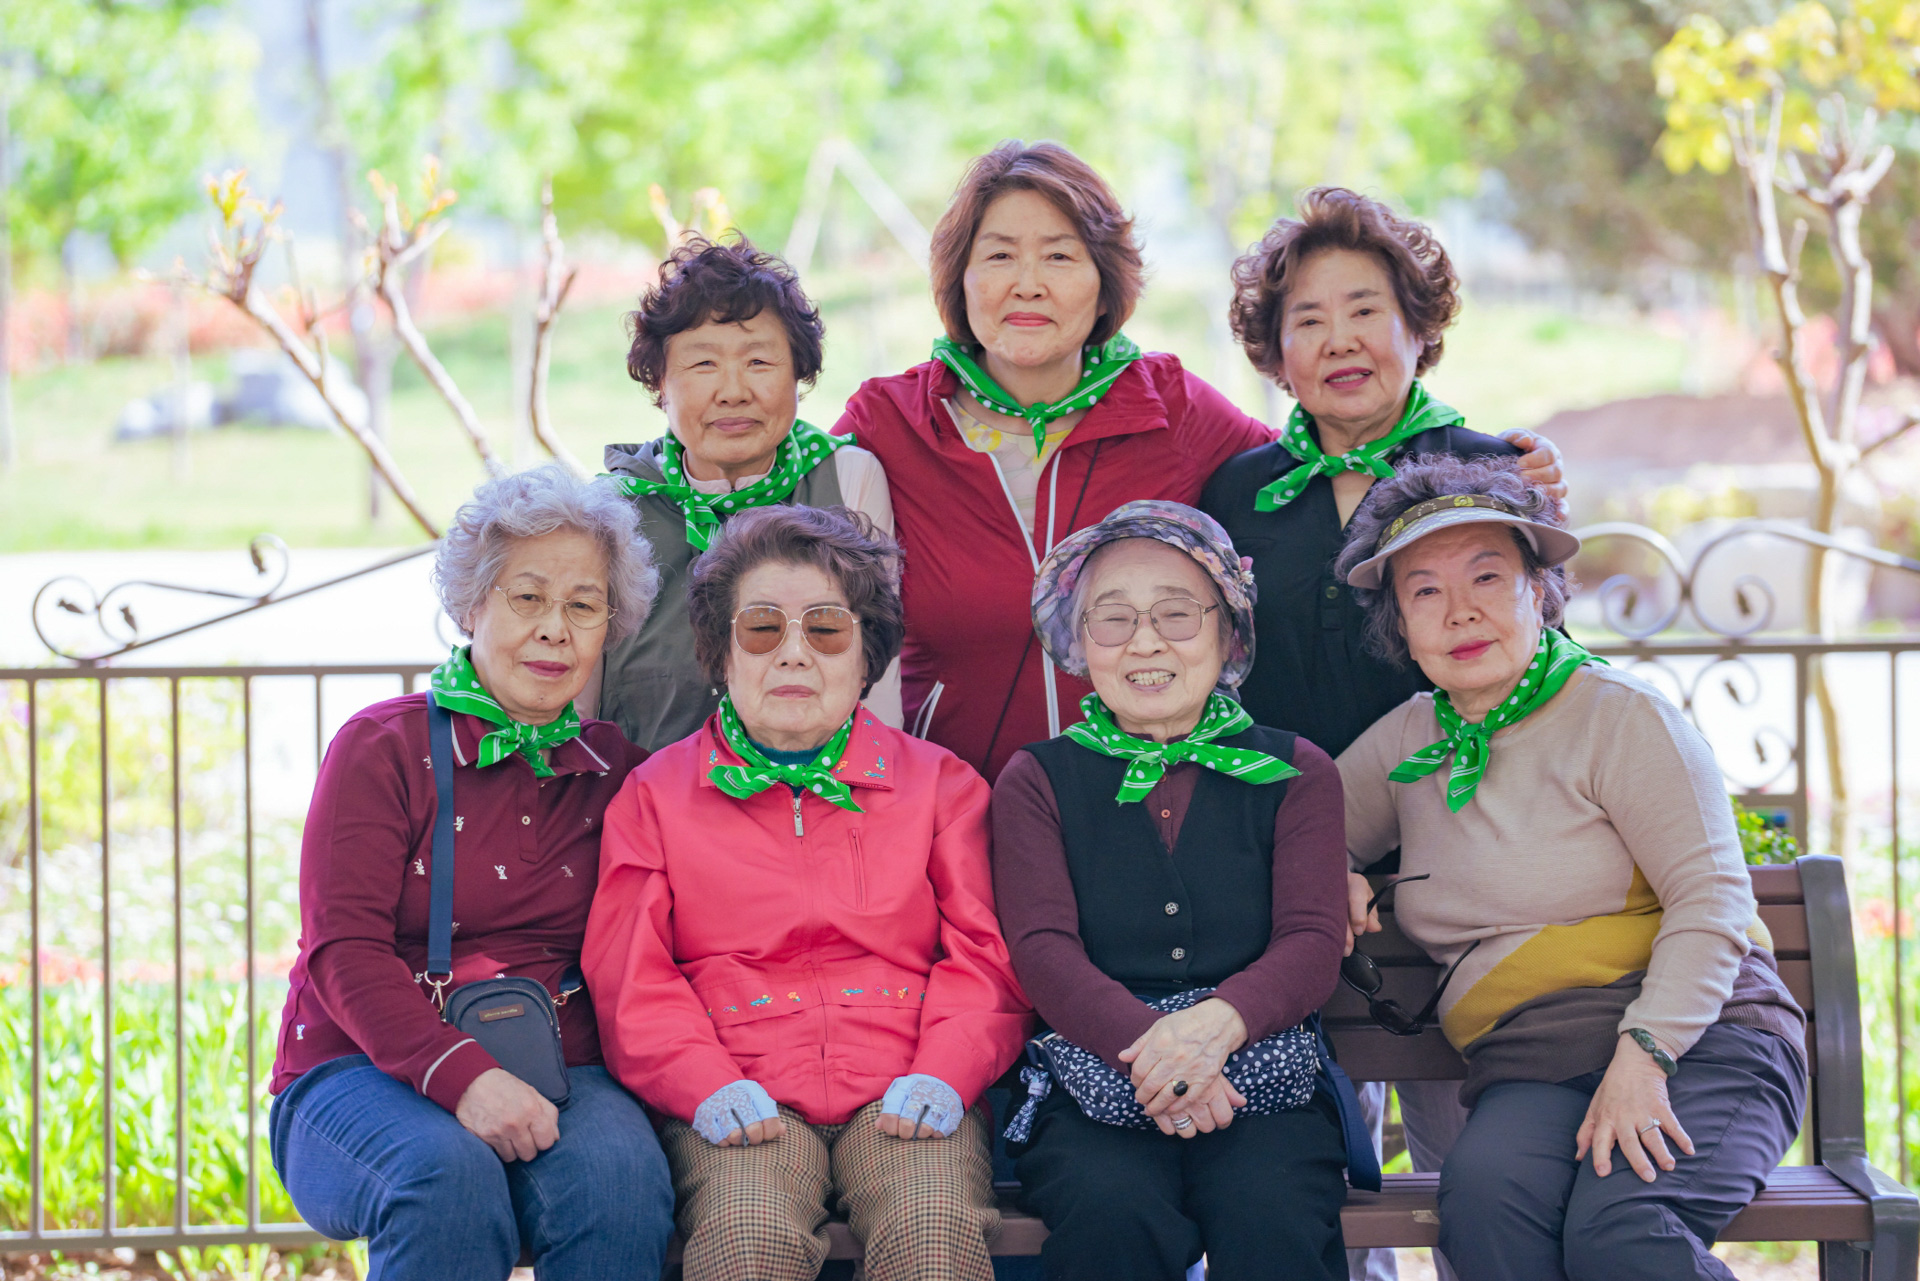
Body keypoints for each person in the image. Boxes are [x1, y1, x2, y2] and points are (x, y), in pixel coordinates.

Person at [1196, 186, 1568, 1280]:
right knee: (1322, 1170)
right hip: (1293, 877)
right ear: (1276, 351)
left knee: (1475, 1174)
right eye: (1307, 319)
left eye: (1366, 310)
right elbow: (1222, 689)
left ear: (1418, 325)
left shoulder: (1488, 470)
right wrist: (1308, 855)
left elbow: (1541, 676)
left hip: (1467, 868)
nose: (1340, 340)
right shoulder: (1241, 492)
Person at [1333, 455, 1807, 1281]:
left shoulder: (1621, 716)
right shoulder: (1408, 738)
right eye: (1425, 591)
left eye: (1488, 575)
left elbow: (1712, 897)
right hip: (1535, 1064)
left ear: (1539, 590)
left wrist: (1644, 1056)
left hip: (1702, 1038)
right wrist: (1331, 869)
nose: (1460, 610)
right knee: (1484, 1207)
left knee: (1622, 1230)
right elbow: (1302, 834)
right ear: (1400, 627)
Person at [583, 503, 1032, 1281]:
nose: (794, 652)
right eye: (762, 628)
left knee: (932, 1231)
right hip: (739, 1088)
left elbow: (986, 955)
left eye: (825, 629)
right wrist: (707, 1084)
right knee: (745, 1238)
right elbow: (631, 975)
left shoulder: (941, 786)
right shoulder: (655, 795)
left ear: (866, 658)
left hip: (905, 1086)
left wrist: (944, 1070)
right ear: (722, 655)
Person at [268, 465, 675, 1281]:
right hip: (358, 1064)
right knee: (446, 1179)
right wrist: (462, 1076)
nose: (555, 629)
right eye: (527, 596)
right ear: (471, 605)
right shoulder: (382, 748)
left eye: (584, 605)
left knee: (624, 1183)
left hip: (561, 1066)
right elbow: (343, 948)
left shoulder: (621, 774)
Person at [992, 500, 1353, 1280]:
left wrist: (1211, 1032)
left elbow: (1313, 940)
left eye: (1177, 614)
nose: (1146, 641)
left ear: (1229, 632)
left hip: (1261, 1067)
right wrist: (1158, 1054)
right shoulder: (1037, 779)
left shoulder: (1299, 770)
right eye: (1113, 618)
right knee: (1109, 1208)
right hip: (1096, 1074)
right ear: (1080, 641)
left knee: (1271, 1208)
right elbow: (1043, 949)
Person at [597, 233, 901, 749]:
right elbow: (580, 702)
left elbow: (879, 671)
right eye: (703, 364)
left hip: (818, 790)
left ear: (799, 372)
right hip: (643, 791)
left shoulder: (848, 478)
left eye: (759, 362)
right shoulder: (615, 506)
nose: (734, 391)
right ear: (660, 384)